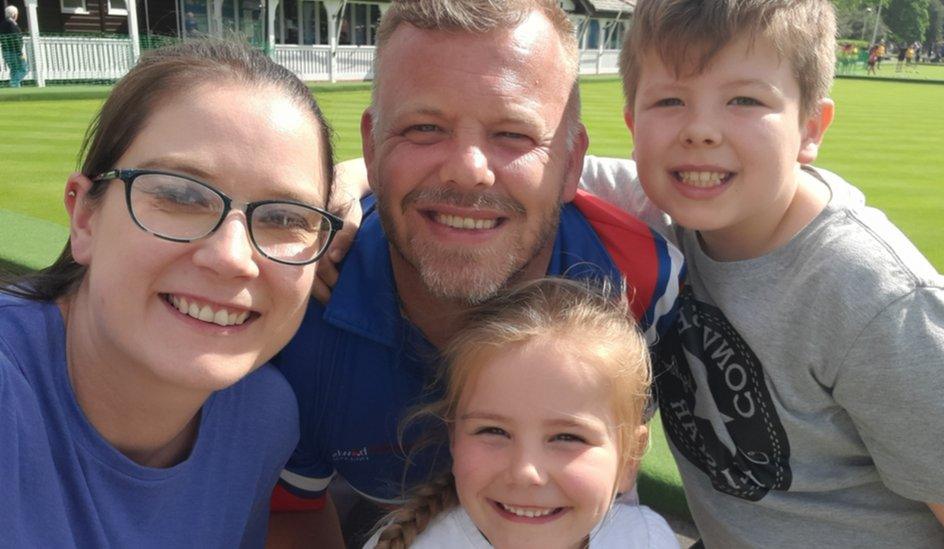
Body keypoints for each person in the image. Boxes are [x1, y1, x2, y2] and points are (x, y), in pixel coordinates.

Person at [267, 1, 684, 546]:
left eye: (512, 134)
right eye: (423, 128)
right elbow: (294, 512)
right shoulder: (297, 311)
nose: (468, 169)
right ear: (371, 148)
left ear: (571, 160)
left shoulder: (647, 278)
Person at [579, 0, 944, 546]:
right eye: (669, 100)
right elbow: (527, 161)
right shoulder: (660, 215)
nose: (699, 129)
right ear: (633, 124)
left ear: (810, 128)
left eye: (744, 99)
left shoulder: (883, 304)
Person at [0, 40, 344, 547]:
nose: (232, 256)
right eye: (180, 195)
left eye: (285, 218)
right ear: (85, 217)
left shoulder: (263, 417)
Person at [364, 278, 681, 549]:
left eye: (567, 437)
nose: (525, 471)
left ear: (629, 457)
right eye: (493, 431)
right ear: (454, 437)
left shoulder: (646, 539)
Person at [1, 5, 27, 88]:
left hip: (6, 51)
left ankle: (15, 89)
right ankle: (14, 83)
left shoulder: (3, 24)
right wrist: (20, 53)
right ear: (14, 14)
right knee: (24, 69)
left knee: (14, 70)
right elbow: (15, 39)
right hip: (14, 51)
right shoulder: (11, 24)